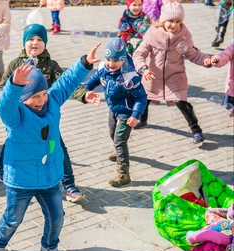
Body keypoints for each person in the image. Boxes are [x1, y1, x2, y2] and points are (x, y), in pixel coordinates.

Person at [0, 43, 100, 251]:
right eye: (34, 97)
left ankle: (49, 248)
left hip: (49, 176)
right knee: (13, 219)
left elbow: (66, 82)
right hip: (21, 179)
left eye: (43, 94)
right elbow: (3, 106)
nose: (40, 100)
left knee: (57, 216)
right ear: (22, 98)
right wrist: (15, 85)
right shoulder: (16, 116)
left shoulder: (52, 102)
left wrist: (84, 63)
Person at [0, 23, 101, 203]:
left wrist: (84, 94)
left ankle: (69, 185)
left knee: (59, 150)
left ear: (45, 43)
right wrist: (10, 97)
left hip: (46, 121)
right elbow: (2, 88)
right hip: (22, 120)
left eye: (39, 39)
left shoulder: (50, 65)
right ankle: (3, 168)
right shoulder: (16, 64)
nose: (35, 43)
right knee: (12, 145)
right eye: (30, 39)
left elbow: (65, 84)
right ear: (24, 43)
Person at [133, 1, 211, 143]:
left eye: (177, 21)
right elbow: (139, 54)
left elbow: (193, 54)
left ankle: (196, 131)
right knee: (145, 99)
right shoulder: (152, 34)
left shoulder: (184, 35)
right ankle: (142, 119)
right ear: (162, 20)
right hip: (153, 76)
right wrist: (143, 69)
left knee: (181, 103)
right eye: (170, 21)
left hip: (175, 76)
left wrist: (206, 60)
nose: (174, 25)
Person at [83, 38, 147, 187]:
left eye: (115, 60)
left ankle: (123, 173)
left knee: (119, 140)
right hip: (113, 108)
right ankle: (119, 151)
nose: (110, 64)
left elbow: (141, 97)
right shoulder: (104, 69)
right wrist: (84, 90)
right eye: (108, 59)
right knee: (112, 133)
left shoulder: (129, 76)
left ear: (123, 60)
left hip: (127, 113)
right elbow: (94, 79)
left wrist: (135, 115)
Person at [205, 42, 234, 117]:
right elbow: (225, 55)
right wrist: (217, 59)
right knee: (230, 110)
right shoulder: (233, 46)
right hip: (232, 90)